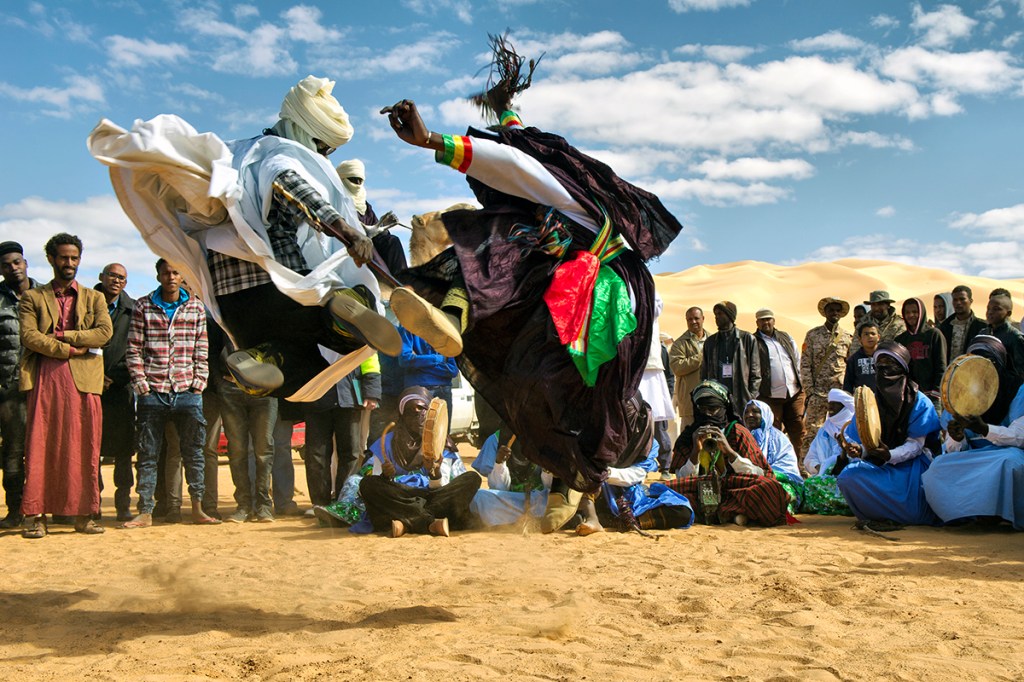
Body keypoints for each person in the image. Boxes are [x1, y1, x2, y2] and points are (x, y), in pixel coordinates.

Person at [380, 38, 682, 493]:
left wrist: (431, 142)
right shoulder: (555, 184)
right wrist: (506, 108)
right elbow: (519, 144)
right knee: (501, 256)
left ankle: (584, 485)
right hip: (580, 280)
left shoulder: (559, 189)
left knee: (580, 389)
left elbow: (513, 162)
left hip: (608, 290)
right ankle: (458, 317)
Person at [88, 75, 417, 401]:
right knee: (350, 340)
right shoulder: (279, 155)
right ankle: (343, 313)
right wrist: (343, 229)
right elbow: (292, 188)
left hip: (234, 303)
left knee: (294, 369)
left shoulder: (232, 157)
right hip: (287, 287)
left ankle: (256, 358)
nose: (324, 154)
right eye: (324, 146)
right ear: (304, 128)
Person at [18, 233, 112, 538]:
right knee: (40, 445)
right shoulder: (32, 298)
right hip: (46, 378)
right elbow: (30, 337)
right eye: (63, 257)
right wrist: (68, 349)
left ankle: (85, 515)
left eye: (74, 258)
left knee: (85, 446)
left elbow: (103, 333)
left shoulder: (94, 298)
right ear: (51, 259)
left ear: (79, 260)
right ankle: (35, 514)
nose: (69, 263)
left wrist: (64, 335)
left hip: (85, 382)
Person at [123, 259, 219, 528]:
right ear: (158, 275)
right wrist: (142, 386)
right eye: (166, 273)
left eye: (176, 272)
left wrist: (199, 383)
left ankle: (197, 509)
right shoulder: (144, 305)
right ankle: (145, 512)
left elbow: (202, 348)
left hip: (187, 391)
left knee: (194, 453)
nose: (171, 277)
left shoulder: (196, 307)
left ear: (182, 276)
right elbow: (133, 349)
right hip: (153, 392)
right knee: (147, 454)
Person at [921, 336, 1024, 528]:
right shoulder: (959, 394)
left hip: (1005, 453)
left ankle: (1001, 515)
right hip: (973, 454)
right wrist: (957, 438)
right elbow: (954, 449)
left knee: (1011, 463)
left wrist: (984, 429)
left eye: (988, 361)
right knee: (938, 466)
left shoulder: (1017, 389)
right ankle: (969, 515)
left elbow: (1020, 437)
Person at [836, 342, 941, 526]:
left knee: (916, 510)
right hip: (881, 463)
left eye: (889, 368)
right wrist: (859, 450)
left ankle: (908, 515)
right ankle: (882, 515)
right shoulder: (870, 402)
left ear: (902, 370)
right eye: (879, 368)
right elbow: (869, 440)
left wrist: (890, 455)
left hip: (914, 464)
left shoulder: (920, 402)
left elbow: (915, 446)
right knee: (848, 478)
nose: (883, 373)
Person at [357, 386, 480, 536]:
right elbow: (380, 484)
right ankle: (430, 523)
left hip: (433, 497)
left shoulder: (442, 442)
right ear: (402, 416)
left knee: (472, 479)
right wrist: (385, 476)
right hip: (401, 497)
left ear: (430, 413)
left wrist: (435, 474)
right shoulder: (386, 443)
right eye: (411, 412)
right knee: (368, 484)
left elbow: (441, 487)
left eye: (422, 409)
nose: (419, 415)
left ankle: (407, 523)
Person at [666, 381, 790, 526]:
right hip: (700, 489)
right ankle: (732, 514)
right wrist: (695, 452)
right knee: (666, 491)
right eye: (702, 409)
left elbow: (759, 473)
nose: (707, 414)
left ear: (724, 408)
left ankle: (724, 513)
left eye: (713, 409)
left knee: (770, 488)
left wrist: (730, 452)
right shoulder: (688, 436)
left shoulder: (737, 431)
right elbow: (682, 478)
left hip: (735, 488)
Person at [303, 348, 380, 511]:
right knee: (316, 454)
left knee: (351, 453)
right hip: (316, 398)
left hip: (348, 397)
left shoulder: (356, 330)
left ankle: (345, 502)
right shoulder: (309, 328)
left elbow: (370, 361)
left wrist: (372, 392)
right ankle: (319, 503)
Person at [0, 241, 38, 529]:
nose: (13, 268)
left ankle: (44, 508)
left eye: (17, 262)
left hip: (44, 386)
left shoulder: (46, 295)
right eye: (6, 264)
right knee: (13, 452)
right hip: (9, 390)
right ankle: (15, 511)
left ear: (25, 263)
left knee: (44, 449)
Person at [95, 263, 136, 521]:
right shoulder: (86, 304)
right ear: (101, 277)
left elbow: (138, 348)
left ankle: (123, 505)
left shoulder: (133, 310)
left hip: (122, 389)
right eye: (112, 275)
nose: (116, 280)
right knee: (91, 450)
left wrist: (116, 377)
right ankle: (92, 502)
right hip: (89, 387)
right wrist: (95, 377)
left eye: (121, 277)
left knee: (123, 451)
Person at [219, 372, 279, 524]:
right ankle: (243, 506)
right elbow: (213, 354)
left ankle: (263, 506)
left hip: (265, 390)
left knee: (263, 450)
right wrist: (220, 381)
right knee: (237, 450)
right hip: (231, 389)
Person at [335, 158, 408, 280]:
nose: (357, 183)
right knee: (368, 245)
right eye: (353, 180)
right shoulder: (339, 199)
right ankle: (388, 284)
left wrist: (383, 226)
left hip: (370, 242)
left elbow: (376, 231)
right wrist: (365, 234)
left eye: (360, 180)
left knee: (392, 241)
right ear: (342, 178)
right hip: (350, 244)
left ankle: (404, 282)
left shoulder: (365, 205)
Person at [800, 296, 852, 460]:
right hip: (818, 394)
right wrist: (810, 391)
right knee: (813, 432)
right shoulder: (813, 335)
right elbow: (805, 364)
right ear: (825, 312)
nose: (834, 313)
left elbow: (849, 365)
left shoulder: (847, 337)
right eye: (831, 310)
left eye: (837, 310)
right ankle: (806, 469)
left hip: (839, 395)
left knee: (841, 431)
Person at [470, 428, 551, 527]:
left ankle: (509, 522)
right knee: (480, 496)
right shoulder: (495, 439)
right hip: (511, 502)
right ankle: (534, 520)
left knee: (560, 500)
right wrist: (499, 463)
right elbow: (498, 488)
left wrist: (548, 467)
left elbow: (550, 486)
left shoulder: (547, 437)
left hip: (540, 500)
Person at [753, 308, 805, 455]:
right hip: (769, 396)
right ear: (757, 323)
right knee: (773, 433)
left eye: (768, 319)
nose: (766, 322)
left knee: (798, 431)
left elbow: (797, 359)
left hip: (794, 393)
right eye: (762, 320)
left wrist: (802, 385)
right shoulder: (752, 341)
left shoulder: (786, 337)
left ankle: (799, 466)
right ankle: (777, 466)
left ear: (774, 320)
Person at [743, 399, 804, 514]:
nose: (749, 415)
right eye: (746, 412)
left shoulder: (778, 438)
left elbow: (787, 467)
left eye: (755, 411)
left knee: (775, 493)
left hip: (779, 479)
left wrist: (765, 474)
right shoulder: (742, 437)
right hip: (749, 479)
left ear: (765, 414)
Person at [700, 301, 761, 417]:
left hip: (742, 399)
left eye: (720, 314)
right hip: (718, 400)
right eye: (715, 314)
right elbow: (704, 374)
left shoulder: (747, 339)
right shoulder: (710, 342)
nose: (716, 318)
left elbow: (756, 373)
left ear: (730, 316)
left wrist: (750, 396)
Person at [800, 389, 855, 516]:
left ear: (845, 407)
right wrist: (821, 468)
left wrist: (842, 453)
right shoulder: (825, 430)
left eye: (834, 404)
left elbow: (856, 459)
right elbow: (810, 458)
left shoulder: (854, 428)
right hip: (823, 478)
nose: (829, 407)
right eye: (829, 404)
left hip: (848, 477)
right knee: (809, 485)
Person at [638, 294, 675, 477]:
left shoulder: (661, 350)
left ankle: (665, 466)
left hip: (652, 371)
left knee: (659, 426)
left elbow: (655, 305)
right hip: (635, 371)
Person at [895, 298, 947, 408]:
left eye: (915, 312)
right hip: (909, 397)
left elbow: (941, 366)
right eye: (907, 312)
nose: (911, 315)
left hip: (931, 396)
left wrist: (936, 393)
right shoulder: (900, 340)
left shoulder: (934, 334)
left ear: (921, 312)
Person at [670, 306, 707, 433]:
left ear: (703, 319)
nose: (693, 322)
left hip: (711, 401)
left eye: (696, 318)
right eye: (689, 319)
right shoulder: (680, 344)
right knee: (690, 440)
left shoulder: (713, 340)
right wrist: (700, 357)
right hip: (690, 403)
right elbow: (677, 367)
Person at [982, 291, 1024, 382]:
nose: (990, 312)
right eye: (988, 309)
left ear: (1008, 313)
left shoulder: (1015, 337)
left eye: (996, 309)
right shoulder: (983, 333)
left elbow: (1020, 372)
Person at [938, 285, 985, 360]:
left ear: (970, 301)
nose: (958, 303)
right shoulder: (945, 326)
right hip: (949, 370)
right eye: (955, 300)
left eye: (962, 299)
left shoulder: (982, 327)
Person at [843, 320, 880, 394]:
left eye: (873, 334)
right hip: (862, 400)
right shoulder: (853, 360)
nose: (870, 336)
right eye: (866, 334)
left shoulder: (885, 356)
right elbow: (848, 384)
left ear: (878, 337)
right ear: (860, 339)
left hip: (883, 401)